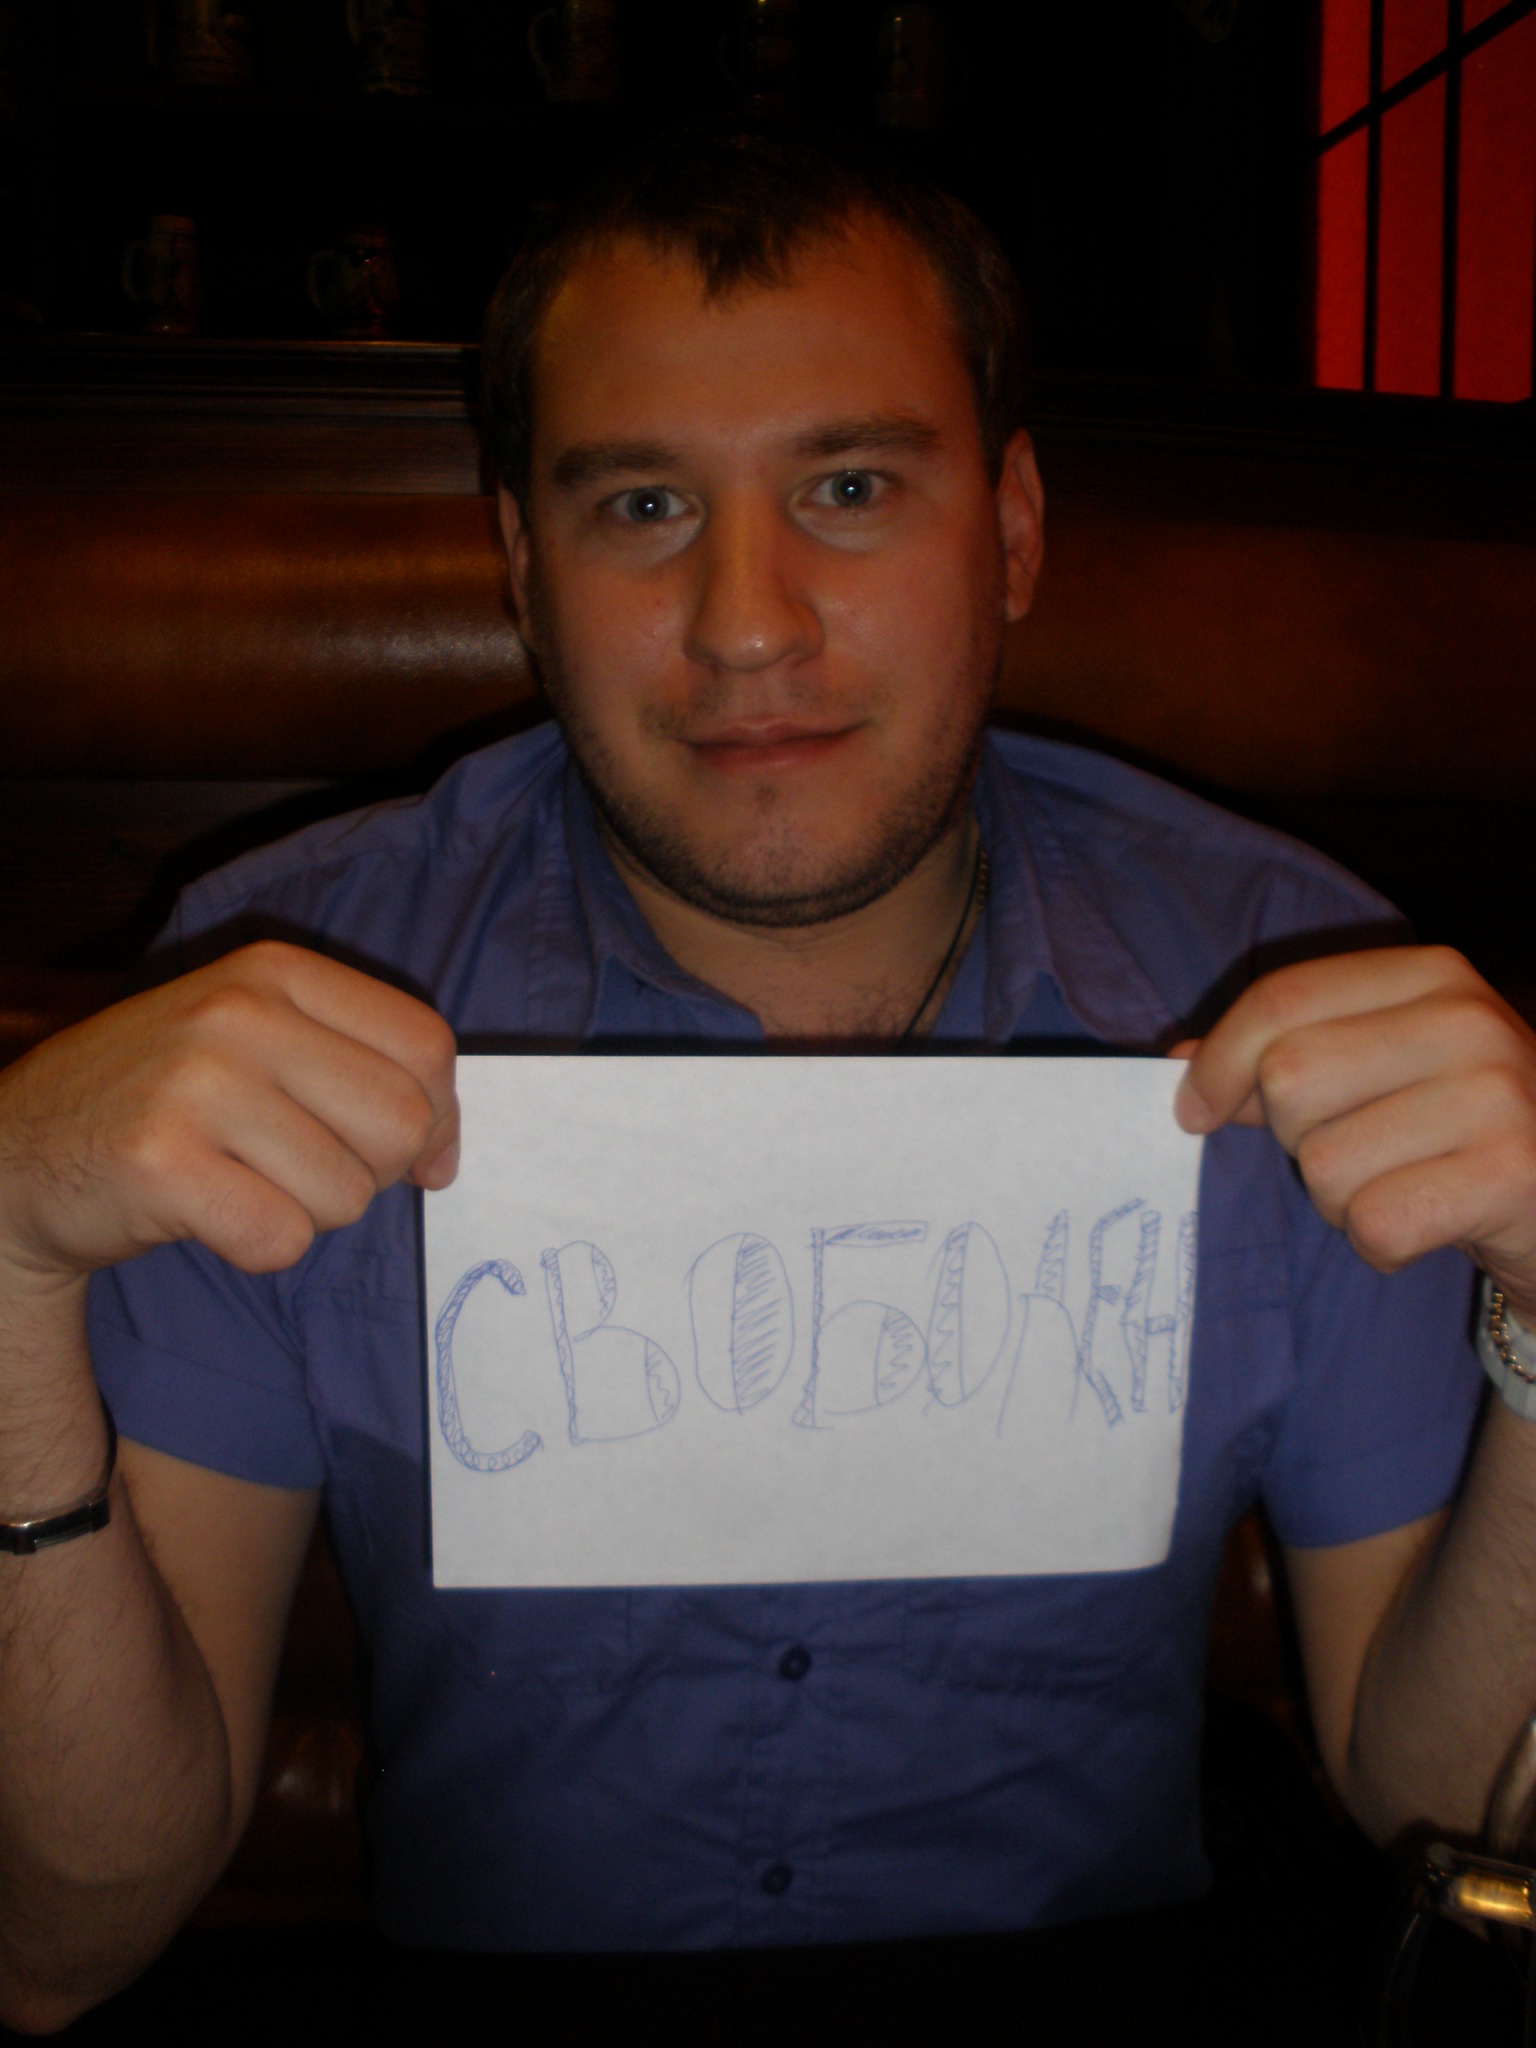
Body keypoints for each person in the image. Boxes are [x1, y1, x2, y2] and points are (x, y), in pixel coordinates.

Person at [3, 124, 1536, 2030]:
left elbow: (1445, 1800)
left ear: (1014, 532)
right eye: (643, 505)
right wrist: (6, 1271)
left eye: (852, 487)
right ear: (521, 569)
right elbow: (60, 1942)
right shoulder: (274, 991)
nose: (746, 620)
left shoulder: (1295, 976)